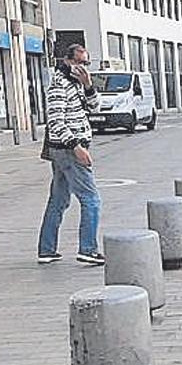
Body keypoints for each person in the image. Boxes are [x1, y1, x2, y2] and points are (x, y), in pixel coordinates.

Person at [38, 44, 105, 266]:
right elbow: (55, 122)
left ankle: (46, 250)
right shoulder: (59, 85)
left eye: (86, 63)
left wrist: (88, 85)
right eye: (79, 63)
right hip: (68, 150)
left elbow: (95, 108)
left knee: (59, 200)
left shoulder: (76, 84)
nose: (83, 67)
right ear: (67, 61)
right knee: (91, 199)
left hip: (66, 149)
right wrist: (77, 147)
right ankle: (88, 249)